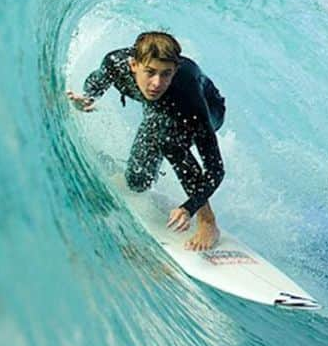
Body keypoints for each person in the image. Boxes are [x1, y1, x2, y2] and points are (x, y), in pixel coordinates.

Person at [67, 31, 226, 251]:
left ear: (175, 71)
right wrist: (86, 100)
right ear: (133, 65)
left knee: (170, 141)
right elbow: (95, 84)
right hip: (160, 109)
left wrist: (189, 207)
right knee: (137, 182)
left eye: (166, 74)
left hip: (208, 110)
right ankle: (120, 169)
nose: (157, 83)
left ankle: (208, 221)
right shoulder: (116, 64)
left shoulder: (188, 95)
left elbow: (216, 169)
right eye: (150, 72)